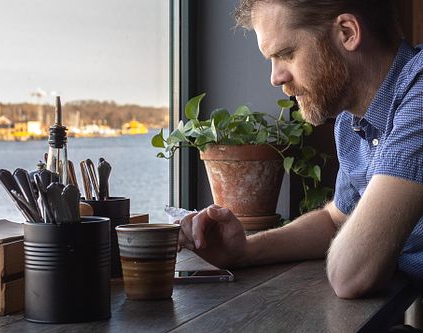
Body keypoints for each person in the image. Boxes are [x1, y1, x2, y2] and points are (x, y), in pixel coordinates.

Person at [177, 0, 423, 300]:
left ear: (347, 32)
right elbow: (335, 220)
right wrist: (243, 251)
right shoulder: (352, 124)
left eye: (286, 54)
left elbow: (351, 275)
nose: (275, 77)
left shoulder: (420, 94)